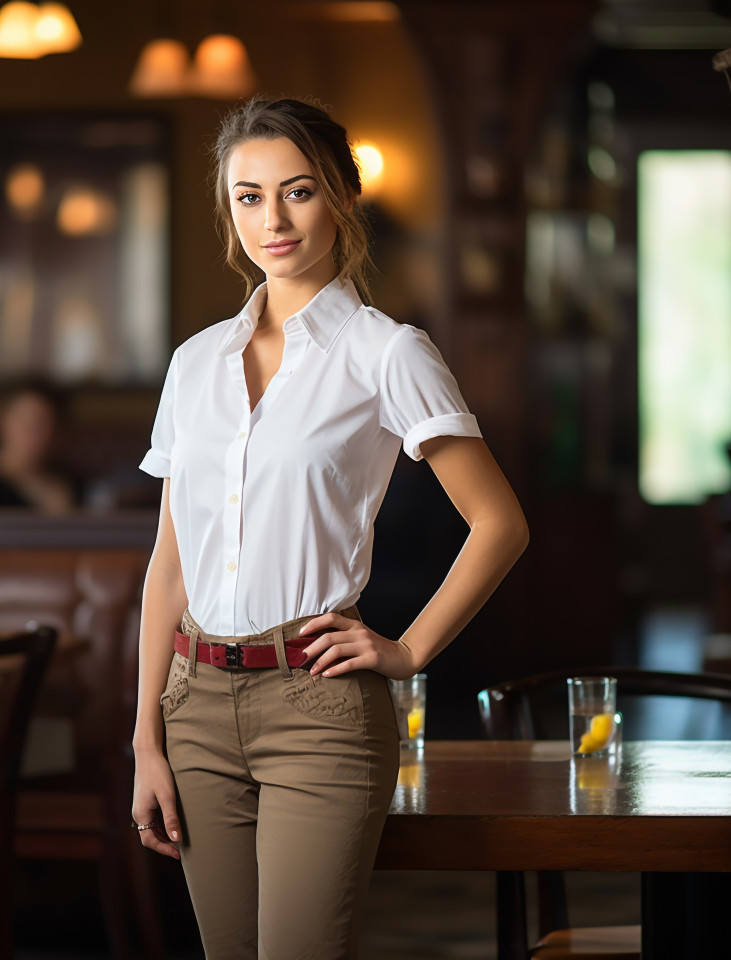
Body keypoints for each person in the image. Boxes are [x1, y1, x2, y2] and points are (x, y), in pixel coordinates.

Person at [131, 96, 530, 960]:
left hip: (317, 712)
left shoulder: (387, 352)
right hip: (192, 705)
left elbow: (499, 523)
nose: (272, 219)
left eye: (298, 191)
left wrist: (410, 649)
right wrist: (145, 740)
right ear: (229, 211)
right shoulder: (195, 363)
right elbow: (170, 564)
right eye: (248, 197)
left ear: (342, 197)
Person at [0, 380, 76, 513]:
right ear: (1, 423)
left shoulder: (71, 486)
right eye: (27, 423)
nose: (35, 435)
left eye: (45, 426)